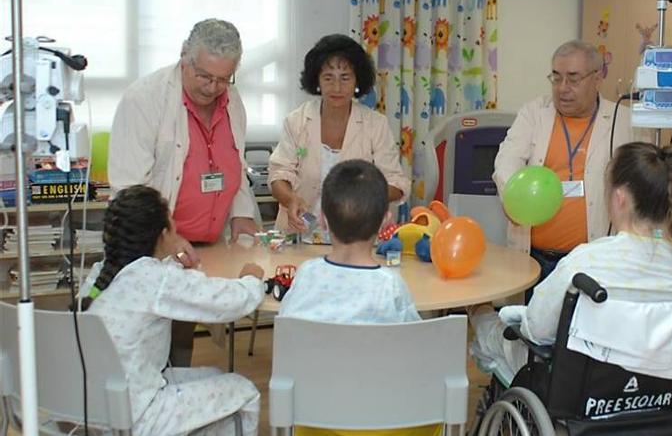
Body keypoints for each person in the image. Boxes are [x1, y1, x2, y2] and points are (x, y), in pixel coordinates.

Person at [472, 142, 672, 387]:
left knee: (486, 323)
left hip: (584, 390)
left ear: (619, 198)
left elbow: (538, 330)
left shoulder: (587, 263)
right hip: (661, 390)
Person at [108, 18, 260, 366]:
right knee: (152, 338)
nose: (213, 88)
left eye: (224, 78)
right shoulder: (144, 100)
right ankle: (150, 404)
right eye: (205, 76)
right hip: (157, 244)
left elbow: (232, 161)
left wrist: (241, 213)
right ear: (183, 58)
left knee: (182, 332)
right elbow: (129, 190)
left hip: (207, 242)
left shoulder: (231, 100)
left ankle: (172, 394)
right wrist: (167, 236)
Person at [80, 185, 265, 436]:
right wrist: (251, 280)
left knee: (213, 375)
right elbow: (228, 303)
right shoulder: (156, 278)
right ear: (163, 233)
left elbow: (164, 288)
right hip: (139, 415)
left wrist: (175, 262)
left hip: (97, 409)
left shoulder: (102, 274)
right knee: (243, 391)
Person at [278, 159, 435, 436]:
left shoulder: (306, 276)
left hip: (317, 418)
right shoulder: (391, 286)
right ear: (386, 219)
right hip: (384, 423)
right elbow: (416, 349)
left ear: (324, 219)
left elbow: (288, 329)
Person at [493, 40, 633, 292]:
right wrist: (512, 201)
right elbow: (506, 162)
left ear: (597, 78)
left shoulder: (622, 122)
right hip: (535, 258)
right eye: (556, 78)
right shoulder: (534, 113)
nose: (563, 88)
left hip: (593, 260)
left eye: (573, 79)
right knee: (532, 329)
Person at [268, 34, 410, 242]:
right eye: (328, 78)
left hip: (357, 241)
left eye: (345, 78)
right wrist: (290, 200)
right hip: (299, 236)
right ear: (317, 81)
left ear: (356, 81)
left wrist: (362, 197)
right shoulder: (297, 121)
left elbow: (397, 184)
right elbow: (278, 175)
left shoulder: (375, 124)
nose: (336, 88)